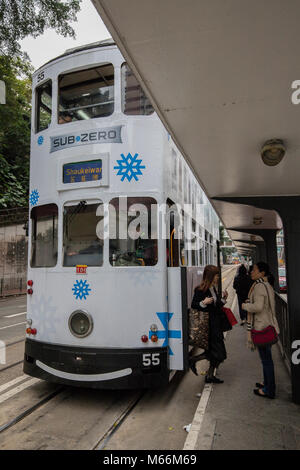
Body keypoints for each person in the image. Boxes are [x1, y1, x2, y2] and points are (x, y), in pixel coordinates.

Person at [242, 261, 280, 399]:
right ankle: (267, 383)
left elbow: (258, 307)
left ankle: (269, 390)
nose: (251, 272)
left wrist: (245, 306)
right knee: (266, 359)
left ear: (262, 273)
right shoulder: (266, 284)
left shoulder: (259, 287)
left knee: (266, 360)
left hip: (261, 326)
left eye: (254, 270)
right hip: (268, 324)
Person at [190, 265, 228, 383]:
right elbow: (194, 305)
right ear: (211, 276)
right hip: (209, 327)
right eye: (216, 275)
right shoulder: (200, 290)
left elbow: (215, 307)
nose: (218, 277)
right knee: (220, 354)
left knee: (212, 352)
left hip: (216, 325)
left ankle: (210, 375)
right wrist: (203, 302)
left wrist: (223, 300)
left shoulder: (213, 288)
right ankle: (194, 359)